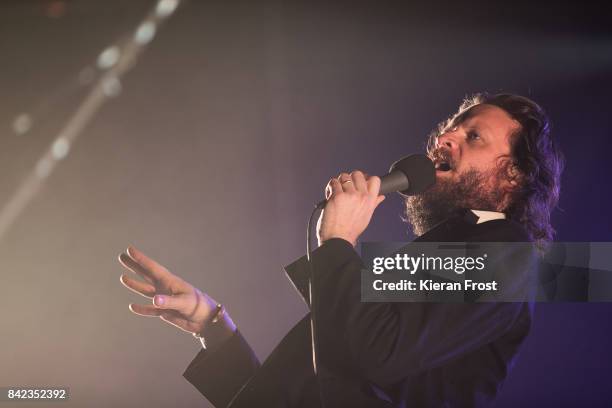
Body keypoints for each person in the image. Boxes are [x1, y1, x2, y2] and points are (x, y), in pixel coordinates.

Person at [119, 93, 564, 407]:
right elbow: (312, 390)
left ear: (512, 177)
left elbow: (375, 354)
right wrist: (214, 328)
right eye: (450, 128)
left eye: (474, 137)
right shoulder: (437, 257)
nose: (445, 138)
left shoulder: (507, 255)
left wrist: (338, 242)